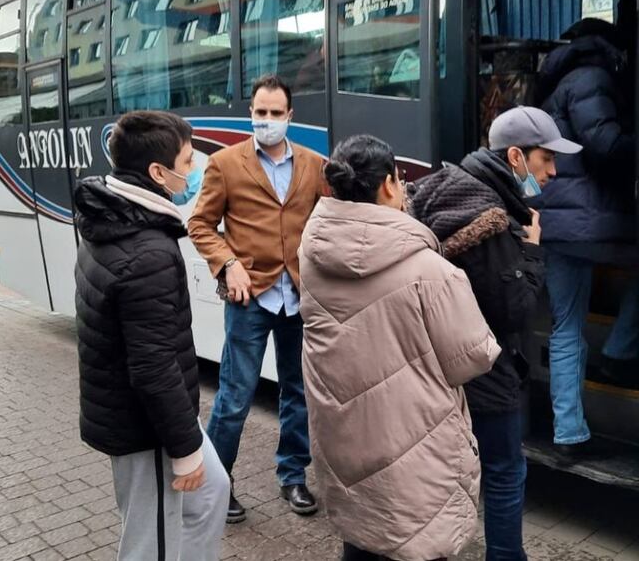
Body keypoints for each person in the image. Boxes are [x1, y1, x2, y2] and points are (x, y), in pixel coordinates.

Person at [299, 135, 500, 561]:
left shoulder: (312, 253)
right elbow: (474, 356)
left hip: (344, 439)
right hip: (414, 442)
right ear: (391, 184)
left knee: (362, 538)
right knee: (416, 540)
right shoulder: (431, 269)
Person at [410, 107, 581, 561]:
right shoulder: (491, 217)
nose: (553, 171)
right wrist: (530, 250)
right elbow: (513, 311)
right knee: (504, 472)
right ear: (515, 157)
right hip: (485, 371)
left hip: (437, 365)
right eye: (545, 159)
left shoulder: (451, 187)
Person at [73, 110, 230, 561]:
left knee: (212, 491)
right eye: (187, 160)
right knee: (149, 544)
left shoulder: (114, 222)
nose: (195, 167)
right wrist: (183, 449)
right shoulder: (146, 250)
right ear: (157, 173)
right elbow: (153, 365)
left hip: (149, 414)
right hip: (147, 426)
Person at [188, 74, 326, 522]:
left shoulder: (313, 165)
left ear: (289, 116)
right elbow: (200, 225)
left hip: (299, 296)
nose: (266, 120)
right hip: (250, 300)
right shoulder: (225, 164)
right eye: (259, 113)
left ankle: (293, 476)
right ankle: (216, 484)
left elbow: (329, 220)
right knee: (234, 397)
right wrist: (228, 264)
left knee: (298, 392)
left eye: (274, 113)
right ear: (251, 113)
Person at [534, 17, 639, 459]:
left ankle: (568, 433)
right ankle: (618, 354)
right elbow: (606, 143)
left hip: (559, 226)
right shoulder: (593, 77)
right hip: (594, 222)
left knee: (566, 328)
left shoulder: (557, 83)